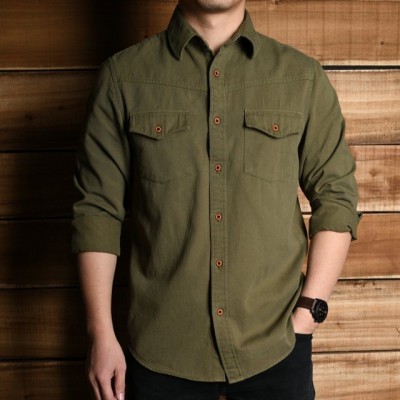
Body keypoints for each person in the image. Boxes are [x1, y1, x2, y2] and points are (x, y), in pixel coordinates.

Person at [72, 1, 361, 399]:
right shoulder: (123, 78)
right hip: (161, 354)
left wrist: (308, 314)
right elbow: (97, 210)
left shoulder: (302, 78)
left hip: (276, 349)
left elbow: (337, 196)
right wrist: (101, 334)